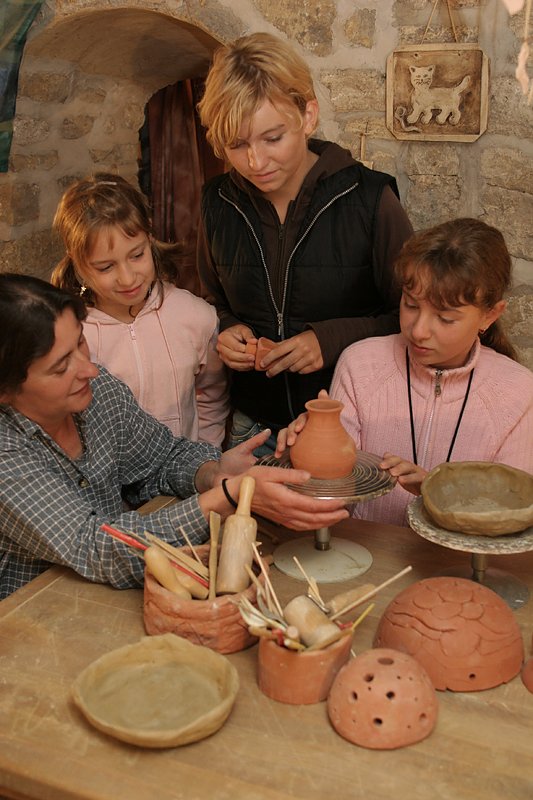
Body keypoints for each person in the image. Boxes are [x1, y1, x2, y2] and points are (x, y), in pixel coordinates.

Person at [0, 274, 349, 599]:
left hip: (101, 597)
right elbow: (98, 547)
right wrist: (228, 496)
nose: (89, 369)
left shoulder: (97, 391)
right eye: (62, 367)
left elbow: (163, 457)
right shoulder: (5, 451)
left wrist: (214, 473)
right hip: (29, 624)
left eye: (81, 343)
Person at [196, 32, 413, 454]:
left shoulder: (371, 201)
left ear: (307, 115)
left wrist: (330, 341)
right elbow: (209, 300)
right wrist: (225, 329)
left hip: (348, 429)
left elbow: (412, 321)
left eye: (272, 138)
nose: (255, 163)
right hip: (250, 431)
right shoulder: (215, 201)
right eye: (237, 145)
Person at [277, 218, 533, 526]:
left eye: (445, 318)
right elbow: (332, 497)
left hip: (461, 567)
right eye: (411, 305)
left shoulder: (520, 394)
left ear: (489, 315)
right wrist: (306, 448)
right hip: (365, 560)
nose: (419, 330)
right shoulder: (361, 365)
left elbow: (513, 518)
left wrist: (436, 491)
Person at [51, 173, 229, 447]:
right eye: (106, 267)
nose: (127, 278)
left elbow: (212, 394)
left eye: (137, 255)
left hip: (184, 481)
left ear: (150, 237)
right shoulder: (69, 333)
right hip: (108, 487)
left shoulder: (196, 316)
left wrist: (205, 454)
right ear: (78, 263)